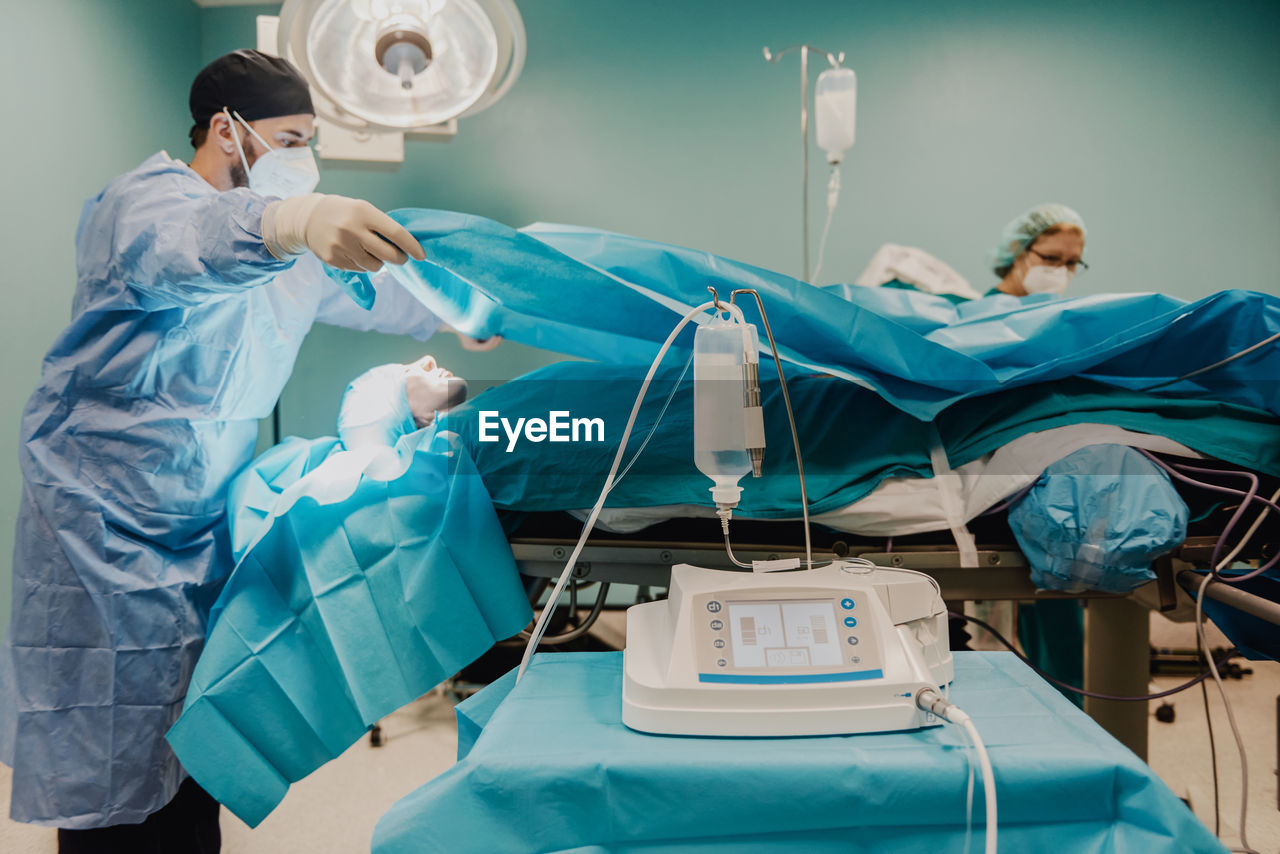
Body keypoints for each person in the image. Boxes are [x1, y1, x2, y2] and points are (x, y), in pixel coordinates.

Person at [0, 49, 448, 851]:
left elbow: (375, 286)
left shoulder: (286, 239)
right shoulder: (141, 206)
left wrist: (457, 302)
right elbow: (189, 247)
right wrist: (290, 221)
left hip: (207, 513)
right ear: (224, 129)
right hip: (105, 520)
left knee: (191, 734)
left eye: (311, 140)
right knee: (113, 748)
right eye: (288, 137)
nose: (301, 159)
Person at [987, 203, 1088, 297]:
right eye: (1051, 258)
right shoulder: (987, 313)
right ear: (1018, 251)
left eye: (1071, 262)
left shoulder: (1047, 313)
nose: (1061, 271)